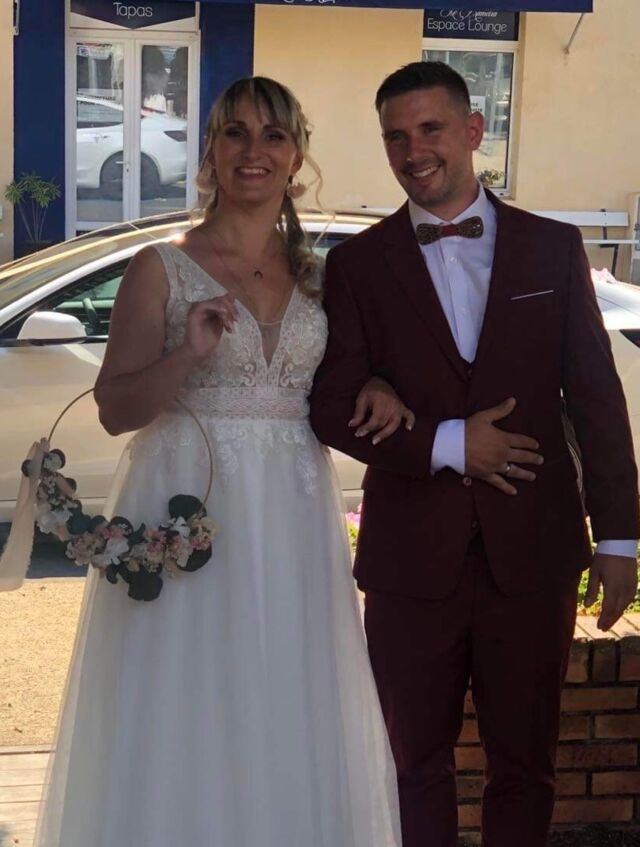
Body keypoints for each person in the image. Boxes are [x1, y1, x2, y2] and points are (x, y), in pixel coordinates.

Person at [30, 77, 406, 847]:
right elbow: (116, 408)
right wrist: (186, 353)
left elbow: (344, 383)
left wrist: (376, 383)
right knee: (186, 694)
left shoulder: (320, 277)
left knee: (288, 692)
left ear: (296, 155)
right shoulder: (159, 268)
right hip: (187, 509)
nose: (252, 151)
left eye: (272, 135)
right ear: (209, 152)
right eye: (234, 133)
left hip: (293, 517)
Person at [310, 60, 640, 847]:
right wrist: (451, 442)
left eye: (430, 128)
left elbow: (596, 398)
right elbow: (329, 405)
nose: (413, 150)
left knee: (525, 765)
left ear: (473, 130)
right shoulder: (357, 265)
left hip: (533, 553)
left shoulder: (551, 248)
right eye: (395, 136)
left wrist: (620, 538)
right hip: (410, 563)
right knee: (410, 765)